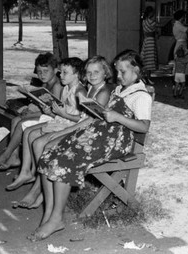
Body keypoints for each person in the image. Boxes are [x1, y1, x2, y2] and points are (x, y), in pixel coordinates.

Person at [30, 50, 152, 242]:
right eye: (117, 72)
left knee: (64, 160)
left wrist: (117, 117)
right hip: (101, 134)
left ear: (136, 69)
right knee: (51, 152)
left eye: (122, 72)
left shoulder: (141, 96)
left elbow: (144, 126)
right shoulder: (122, 88)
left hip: (115, 142)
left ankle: (56, 218)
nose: (118, 76)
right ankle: (51, 213)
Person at [9, 56, 112, 209]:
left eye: (96, 72)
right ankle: (40, 186)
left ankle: (39, 189)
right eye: (89, 72)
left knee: (43, 144)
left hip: (88, 134)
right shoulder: (91, 88)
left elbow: (89, 121)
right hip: (79, 128)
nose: (92, 75)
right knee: (38, 142)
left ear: (106, 72)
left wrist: (62, 125)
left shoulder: (101, 92)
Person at [5, 57, 87, 195]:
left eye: (65, 73)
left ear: (77, 74)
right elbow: (62, 111)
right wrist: (52, 112)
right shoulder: (67, 88)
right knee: (29, 133)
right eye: (60, 72)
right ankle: (29, 171)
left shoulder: (80, 92)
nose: (60, 75)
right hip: (62, 121)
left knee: (35, 139)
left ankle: (40, 179)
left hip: (73, 126)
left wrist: (62, 114)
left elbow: (82, 119)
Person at [0, 52, 62, 170]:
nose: (42, 75)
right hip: (44, 114)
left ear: (56, 70)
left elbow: (54, 112)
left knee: (21, 123)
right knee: (15, 120)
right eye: (39, 72)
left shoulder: (56, 86)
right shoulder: (46, 83)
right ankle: (14, 157)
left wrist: (32, 114)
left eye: (46, 71)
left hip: (53, 118)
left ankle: (5, 155)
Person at [140, 6, 158, 73]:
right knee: (151, 58)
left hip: (146, 40)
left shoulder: (144, 21)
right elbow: (156, 29)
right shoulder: (152, 22)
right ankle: (148, 75)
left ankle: (146, 75)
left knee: (146, 57)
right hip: (151, 41)